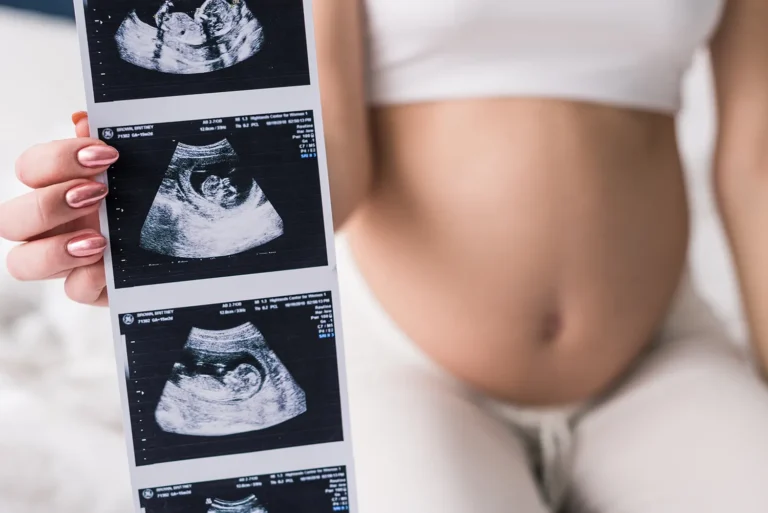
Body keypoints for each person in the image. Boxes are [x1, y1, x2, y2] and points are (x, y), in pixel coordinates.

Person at [3, 1, 768, 511]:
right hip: (403, 364)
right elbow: (333, 144)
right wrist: (177, 238)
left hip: (660, 354)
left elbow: (757, 157)